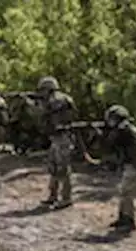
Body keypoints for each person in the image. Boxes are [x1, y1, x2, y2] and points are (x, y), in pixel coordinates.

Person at [94, 105, 136, 231]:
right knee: (123, 191)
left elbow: (109, 144)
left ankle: (129, 221)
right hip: (135, 163)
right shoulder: (128, 129)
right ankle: (123, 218)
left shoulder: (123, 129)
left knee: (126, 192)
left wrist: (99, 134)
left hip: (134, 164)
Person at [37, 76, 76, 209]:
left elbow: (48, 112)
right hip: (56, 137)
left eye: (43, 90)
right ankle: (53, 196)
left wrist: (39, 105)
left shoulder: (57, 99)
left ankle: (66, 198)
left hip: (62, 137)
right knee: (53, 167)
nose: (41, 93)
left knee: (62, 168)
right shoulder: (55, 99)